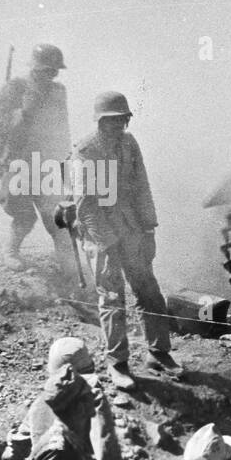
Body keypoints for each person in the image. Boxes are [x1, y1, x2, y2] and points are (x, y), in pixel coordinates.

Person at [72, 90, 176, 390]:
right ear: (100, 122)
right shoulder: (85, 151)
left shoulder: (129, 144)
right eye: (111, 121)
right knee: (112, 298)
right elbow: (84, 205)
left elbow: (142, 187)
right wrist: (106, 243)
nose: (117, 125)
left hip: (130, 228)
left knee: (149, 291)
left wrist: (149, 230)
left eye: (122, 120)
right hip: (99, 233)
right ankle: (117, 363)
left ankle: (159, 353)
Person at [0, 43, 75, 274]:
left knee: (57, 219)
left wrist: (64, 167)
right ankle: (11, 252)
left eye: (54, 71)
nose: (51, 75)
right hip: (18, 162)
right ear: (35, 69)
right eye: (46, 70)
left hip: (47, 164)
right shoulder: (16, 88)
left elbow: (63, 130)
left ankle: (69, 267)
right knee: (24, 216)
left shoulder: (58, 92)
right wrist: (22, 114)